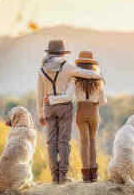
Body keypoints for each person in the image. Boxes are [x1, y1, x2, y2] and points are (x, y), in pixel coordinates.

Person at [37, 40, 102, 184]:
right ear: (62, 53)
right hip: (64, 106)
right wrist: (98, 76)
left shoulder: (42, 69)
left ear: (49, 53)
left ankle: (55, 177)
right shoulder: (67, 67)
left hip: (48, 107)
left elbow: (40, 93)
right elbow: (85, 73)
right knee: (63, 141)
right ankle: (63, 177)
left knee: (51, 142)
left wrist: (40, 113)